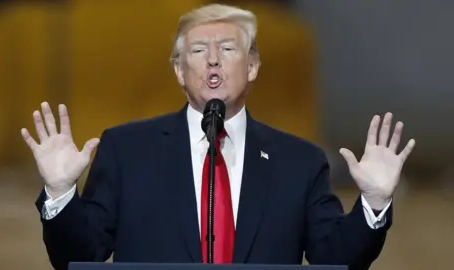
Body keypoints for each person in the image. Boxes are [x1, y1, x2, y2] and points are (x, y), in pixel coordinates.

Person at [21, 4, 416, 270]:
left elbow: (335, 257)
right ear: (179, 70)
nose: (213, 59)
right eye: (198, 50)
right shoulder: (127, 150)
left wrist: (374, 203)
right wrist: (60, 194)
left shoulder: (301, 162)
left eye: (228, 48)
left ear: (254, 65)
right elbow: (81, 253)